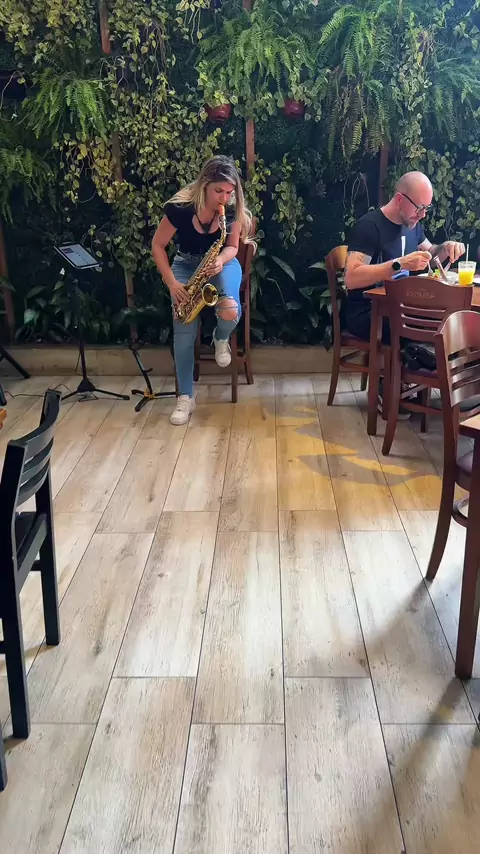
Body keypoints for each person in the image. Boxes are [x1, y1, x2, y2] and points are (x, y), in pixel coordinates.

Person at [152, 155, 254, 425]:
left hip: (222, 263)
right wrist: (172, 283)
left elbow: (232, 247)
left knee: (230, 309)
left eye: (229, 192)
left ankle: (220, 337)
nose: (225, 198)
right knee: (183, 330)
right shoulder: (181, 208)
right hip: (185, 265)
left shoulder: (231, 209)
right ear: (204, 184)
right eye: (219, 191)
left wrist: (220, 260)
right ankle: (185, 397)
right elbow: (157, 245)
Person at [344, 171, 465, 344]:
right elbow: (351, 278)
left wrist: (446, 248)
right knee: (436, 328)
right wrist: (400, 264)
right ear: (399, 199)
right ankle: (412, 360)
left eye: (426, 208)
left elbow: (431, 255)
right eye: (419, 207)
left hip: (400, 307)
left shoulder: (411, 224)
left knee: (453, 322)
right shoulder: (369, 226)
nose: (423, 214)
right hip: (368, 313)